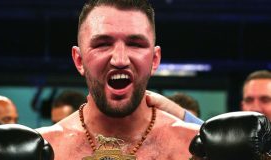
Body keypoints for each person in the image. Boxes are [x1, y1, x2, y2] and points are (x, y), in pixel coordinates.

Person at [37, 0, 199, 159]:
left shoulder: (195, 147)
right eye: (102, 44)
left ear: (154, 60)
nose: (120, 60)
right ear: (79, 60)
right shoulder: (44, 148)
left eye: (135, 44)